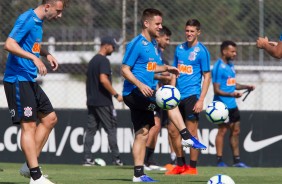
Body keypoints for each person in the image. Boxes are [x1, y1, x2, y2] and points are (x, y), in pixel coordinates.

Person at [121, 8, 206, 182]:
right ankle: (187, 136)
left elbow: (149, 67)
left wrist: (167, 68)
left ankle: (138, 174)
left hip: (145, 94)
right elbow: (124, 69)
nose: (160, 27)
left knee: (142, 132)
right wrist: (140, 84)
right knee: (169, 102)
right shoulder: (137, 44)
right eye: (157, 23)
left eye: (161, 23)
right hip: (134, 93)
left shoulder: (153, 45)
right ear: (146, 23)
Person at [3, 0, 68, 184]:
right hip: (17, 80)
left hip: (29, 80)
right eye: (58, 11)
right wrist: (34, 58)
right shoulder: (27, 19)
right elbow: (9, 44)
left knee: (50, 118)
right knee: (29, 126)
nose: (60, 15)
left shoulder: (39, 23)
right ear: (47, 6)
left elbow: (31, 45)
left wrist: (45, 54)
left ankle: (28, 165)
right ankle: (36, 177)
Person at [165, 19, 211, 175]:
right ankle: (180, 165)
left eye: (192, 31)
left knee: (191, 133)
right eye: (187, 31)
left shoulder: (202, 51)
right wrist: (170, 92)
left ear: (198, 32)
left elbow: (207, 76)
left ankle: (192, 168)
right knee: (172, 130)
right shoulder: (179, 49)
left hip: (192, 96)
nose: (189, 34)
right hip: (176, 96)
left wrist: (201, 99)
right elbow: (175, 73)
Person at [212, 40, 255, 168]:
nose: (235, 54)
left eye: (235, 51)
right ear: (224, 51)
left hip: (232, 104)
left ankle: (237, 161)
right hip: (222, 105)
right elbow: (216, 90)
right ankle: (219, 160)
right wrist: (233, 94)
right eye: (232, 51)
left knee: (236, 131)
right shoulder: (218, 67)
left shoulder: (231, 65)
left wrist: (246, 86)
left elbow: (233, 84)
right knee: (222, 131)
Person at [83, 36, 124, 166]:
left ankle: (87, 159)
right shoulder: (103, 61)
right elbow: (103, 80)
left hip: (92, 101)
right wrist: (116, 94)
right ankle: (116, 159)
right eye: (113, 47)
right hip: (104, 101)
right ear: (106, 45)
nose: (113, 49)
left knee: (91, 130)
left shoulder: (93, 61)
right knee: (111, 129)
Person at [143, 26, 174, 171]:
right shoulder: (152, 52)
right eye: (166, 39)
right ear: (159, 38)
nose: (168, 42)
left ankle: (149, 160)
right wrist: (162, 77)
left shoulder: (162, 56)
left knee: (157, 126)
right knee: (153, 125)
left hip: (159, 96)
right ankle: (143, 160)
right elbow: (146, 71)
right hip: (149, 95)